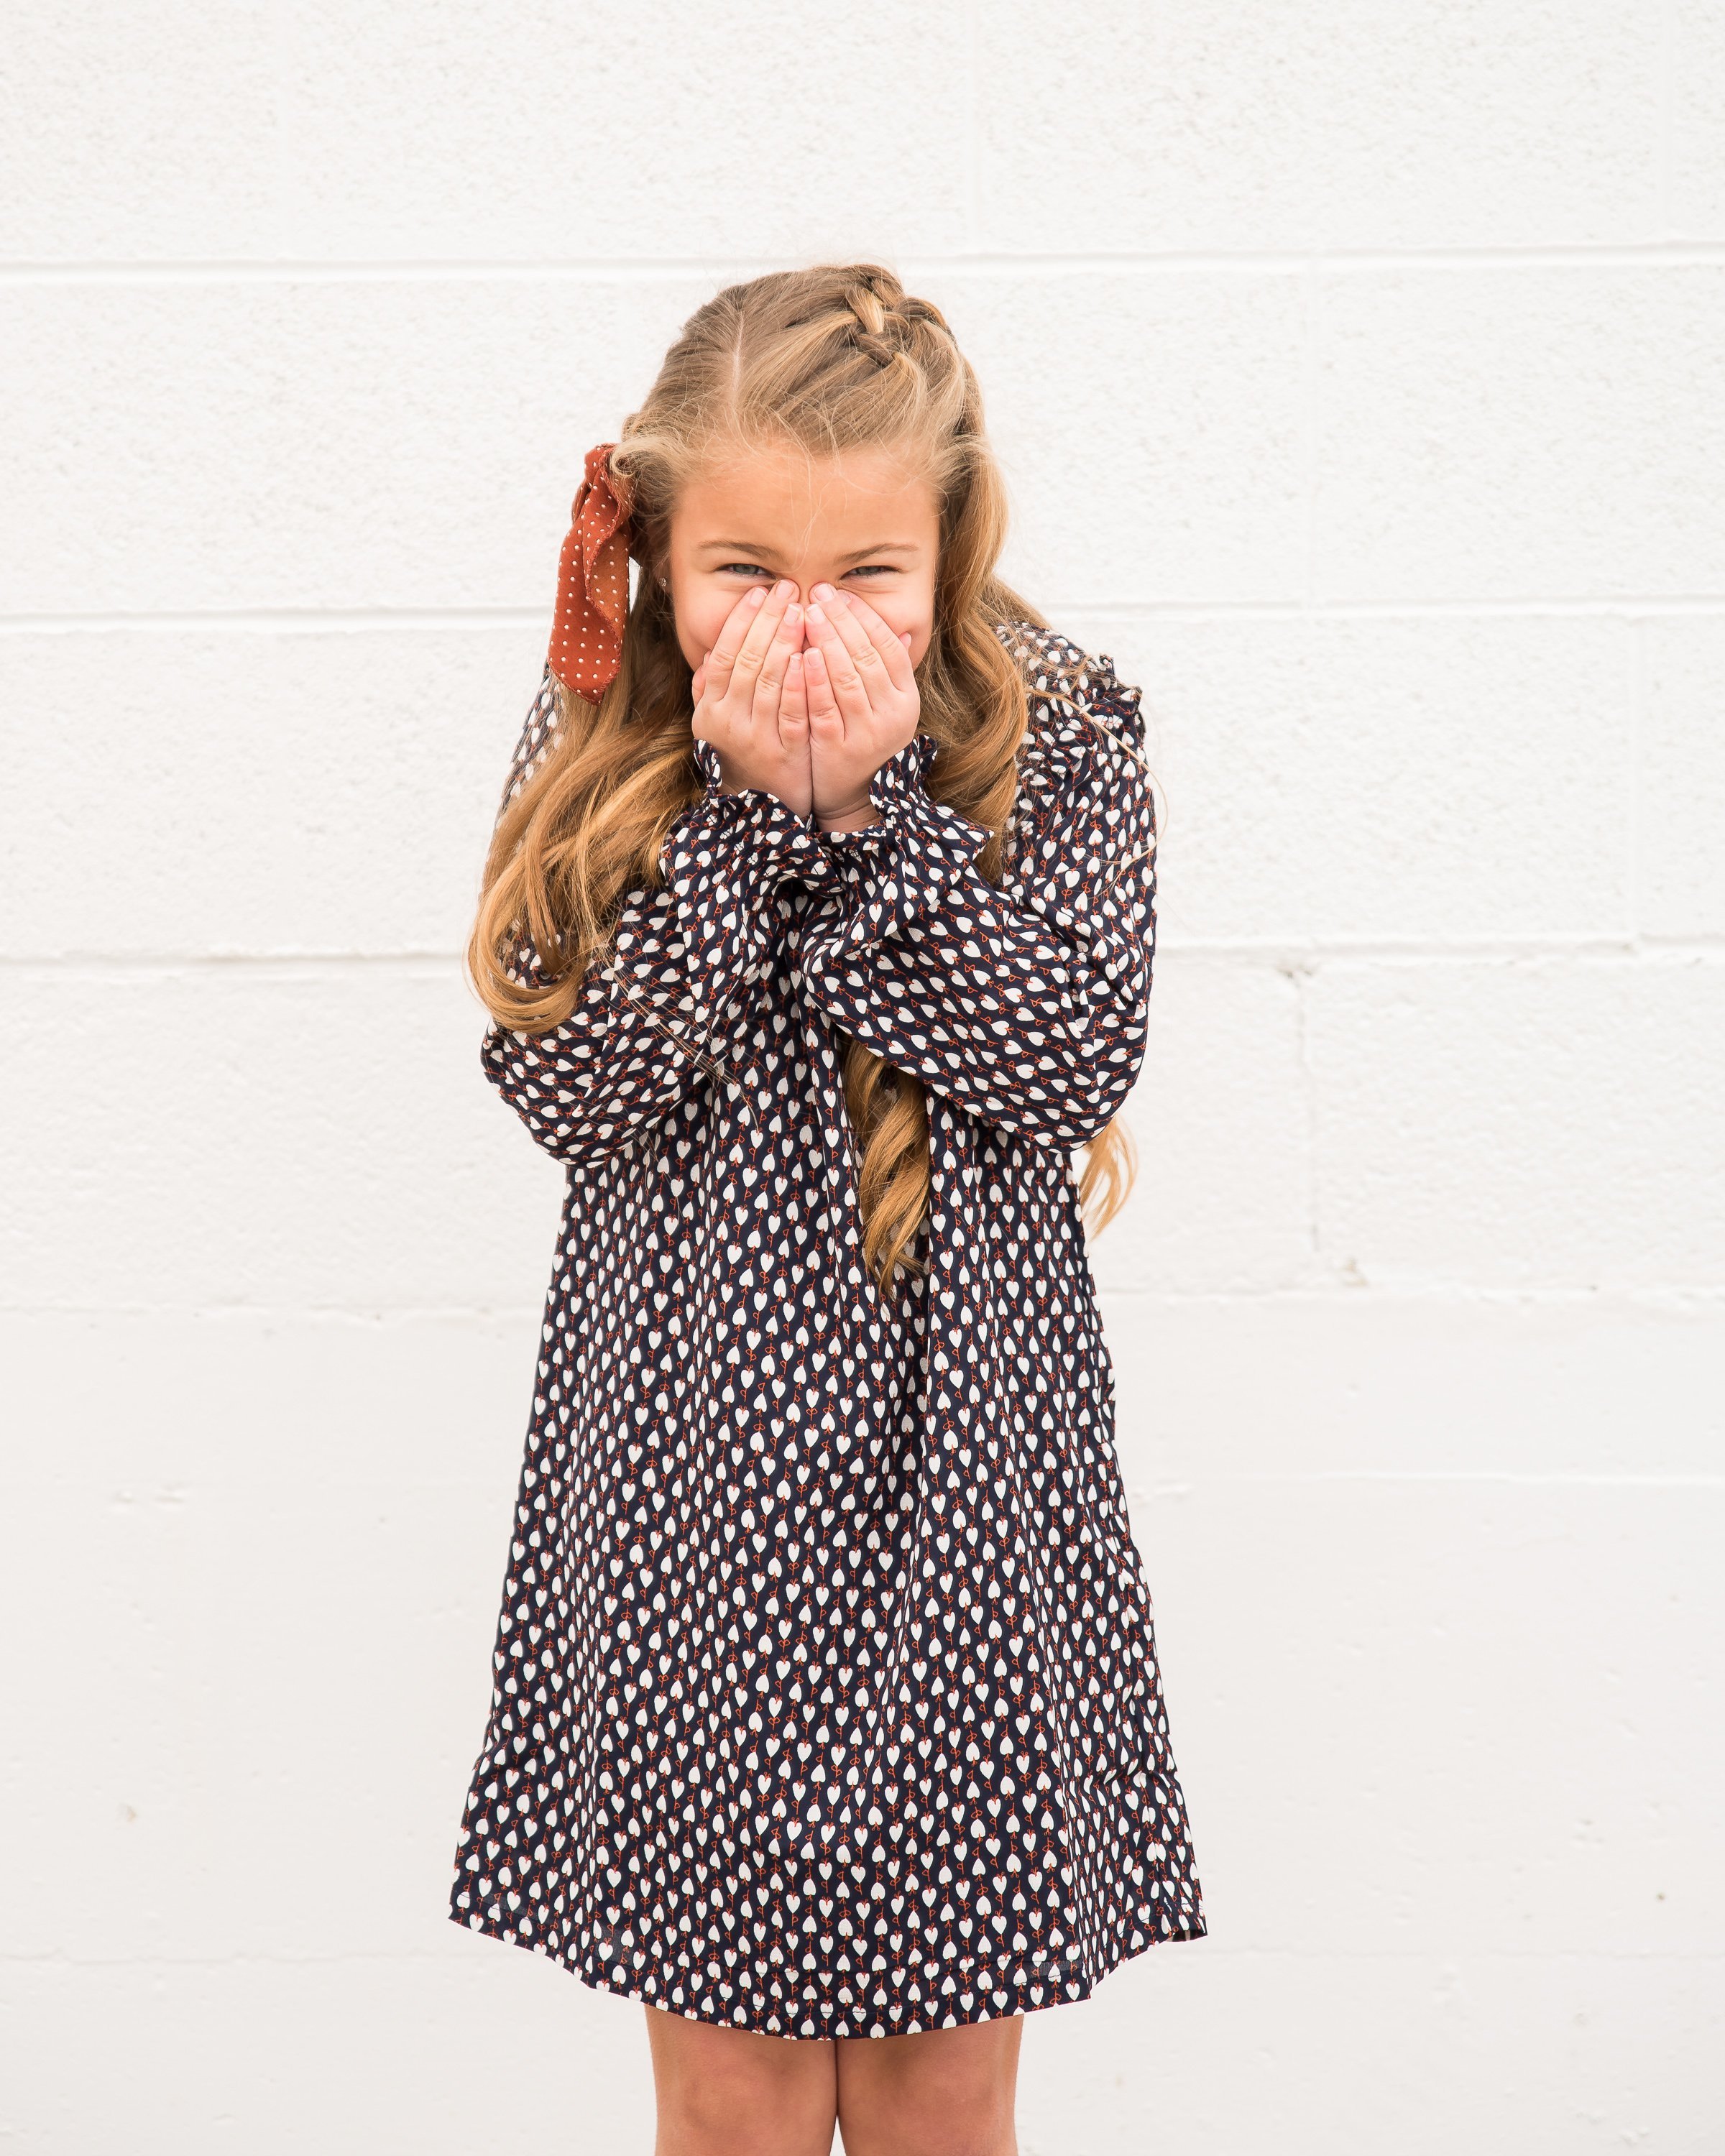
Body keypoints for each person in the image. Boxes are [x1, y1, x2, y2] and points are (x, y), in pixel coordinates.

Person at [450, 262, 1205, 2156]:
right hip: (700, 1504)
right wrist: (741, 814)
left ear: (950, 551)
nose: (807, 624)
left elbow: (1061, 1067)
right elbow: (576, 1087)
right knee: (736, 2095)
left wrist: (874, 822)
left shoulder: (1067, 735)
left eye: (867, 574)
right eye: (743, 574)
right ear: (654, 555)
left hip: (974, 1504)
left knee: (947, 2095)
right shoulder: (598, 749)